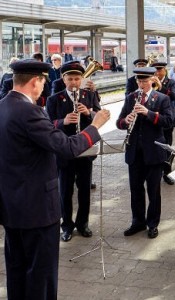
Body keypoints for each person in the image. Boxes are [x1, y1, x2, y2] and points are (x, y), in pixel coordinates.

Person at [0, 59, 109, 300]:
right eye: (42, 81)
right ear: (35, 81)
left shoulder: (3, 106)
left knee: (17, 270)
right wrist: (96, 125)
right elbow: (67, 147)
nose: (43, 87)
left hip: (12, 207)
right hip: (37, 210)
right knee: (41, 276)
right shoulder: (30, 112)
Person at [46, 61, 102, 242]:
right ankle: (67, 225)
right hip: (64, 152)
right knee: (65, 191)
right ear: (63, 79)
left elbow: (100, 116)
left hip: (85, 151)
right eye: (70, 79)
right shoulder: (54, 99)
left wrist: (88, 113)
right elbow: (47, 125)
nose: (74, 82)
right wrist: (63, 122)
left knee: (84, 189)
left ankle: (83, 223)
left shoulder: (89, 94)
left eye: (77, 78)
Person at [116, 67, 173, 239]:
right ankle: (138, 222)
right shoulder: (130, 98)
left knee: (154, 191)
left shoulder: (162, 98)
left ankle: (153, 224)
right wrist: (126, 120)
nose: (142, 85)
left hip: (154, 152)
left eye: (145, 81)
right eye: (139, 82)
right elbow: (119, 122)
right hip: (135, 152)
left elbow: (169, 122)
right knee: (136, 189)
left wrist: (148, 113)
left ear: (152, 80)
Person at [151, 61, 175, 185]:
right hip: (153, 119)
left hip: (167, 119)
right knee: (153, 146)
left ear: (165, 70)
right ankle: (154, 172)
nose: (157, 72)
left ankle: (167, 173)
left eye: (160, 69)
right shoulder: (149, 82)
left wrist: (161, 87)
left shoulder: (171, 82)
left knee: (167, 147)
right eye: (155, 70)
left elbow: (174, 97)